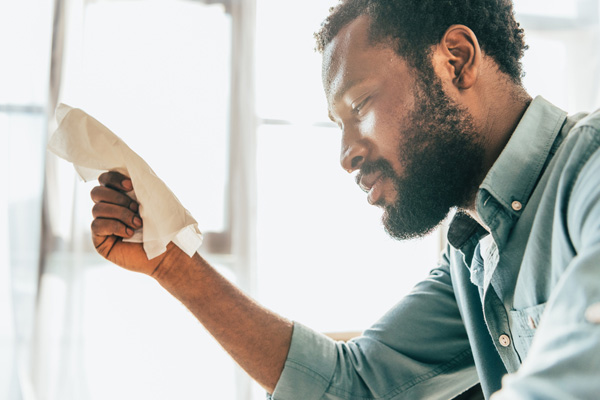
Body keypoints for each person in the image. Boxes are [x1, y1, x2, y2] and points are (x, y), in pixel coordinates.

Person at [89, 0, 600, 398]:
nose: (346, 155)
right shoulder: (472, 255)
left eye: (360, 105)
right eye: (339, 126)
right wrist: (173, 264)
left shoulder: (590, 167)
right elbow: (354, 386)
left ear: (456, 60)